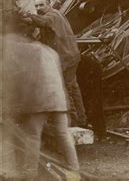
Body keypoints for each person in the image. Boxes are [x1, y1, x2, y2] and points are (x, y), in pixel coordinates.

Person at [2, 14, 80, 178]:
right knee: (63, 134)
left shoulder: (14, 47)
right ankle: (75, 171)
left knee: (32, 136)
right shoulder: (48, 50)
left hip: (38, 99)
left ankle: (29, 174)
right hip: (58, 98)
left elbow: (13, 76)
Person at [21, 0, 86, 127]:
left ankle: (73, 123)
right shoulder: (57, 14)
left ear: (48, 4)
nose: (38, 8)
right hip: (71, 56)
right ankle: (82, 119)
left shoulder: (51, 16)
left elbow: (44, 22)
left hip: (65, 58)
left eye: (41, 5)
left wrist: (26, 15)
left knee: (65, 89)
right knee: (73, 88)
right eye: (36, 6)